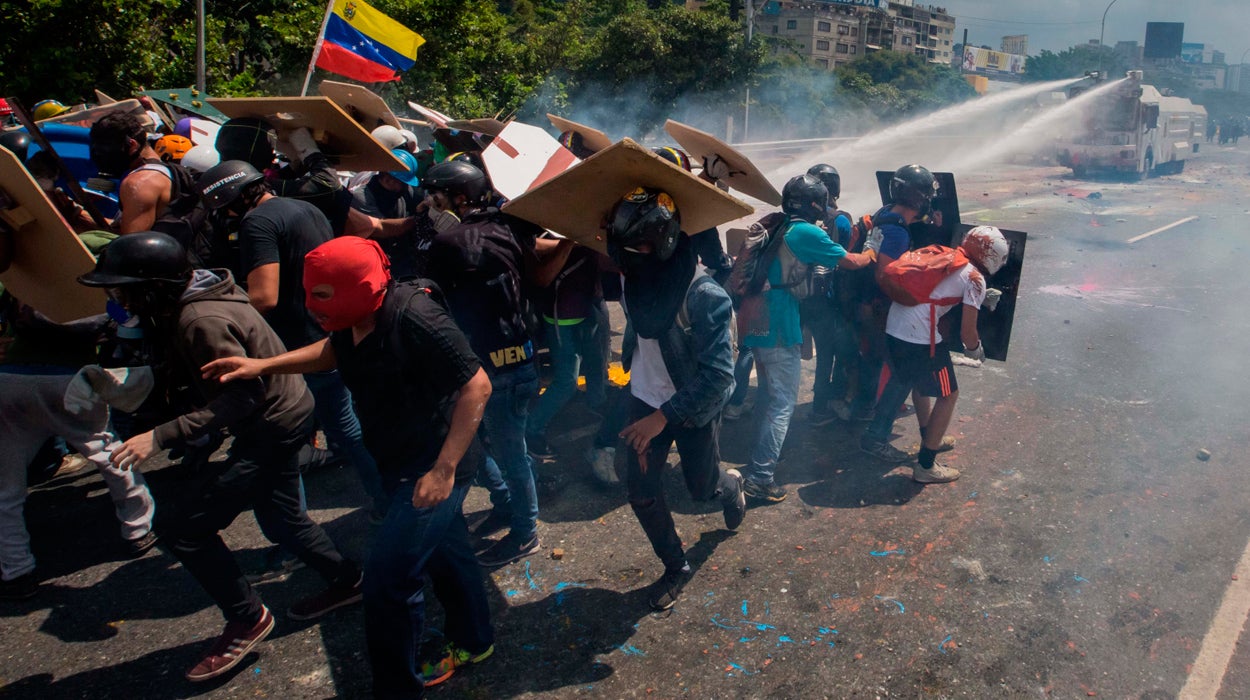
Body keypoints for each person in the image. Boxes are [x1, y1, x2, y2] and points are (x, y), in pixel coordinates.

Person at [202, 236, 495, 698]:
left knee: (387, 581)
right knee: (449, 553)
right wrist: (262, 365)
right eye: (311, 292)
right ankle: (476, 641)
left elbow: (477, 386)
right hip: (397, 460)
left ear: (360, 287)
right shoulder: (354, 318)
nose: (312, 304)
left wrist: (444, 470)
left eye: (322, 295)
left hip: (431, 467)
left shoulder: (417, 316)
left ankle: (398, 689)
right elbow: (334, 351)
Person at [77, 232, 362, 682]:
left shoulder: (199, 319)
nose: (118, 299)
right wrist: (128, 379)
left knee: (185, 529)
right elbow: (203, 372)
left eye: (123, 290)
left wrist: (160, 436)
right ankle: (350, 581)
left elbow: (241, 398)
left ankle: (247, 618)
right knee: (284, 519)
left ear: (153, 287)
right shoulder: (205, 292)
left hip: (271, 425)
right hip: (284, 414)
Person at [197, 160, 387, 517]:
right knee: (348, 426)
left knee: (296, 433)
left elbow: (263, 297)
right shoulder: (305, 207)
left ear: (235, 199)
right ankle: (383, 493)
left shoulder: (257, 222)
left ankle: (306, 524)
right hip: (330, 331)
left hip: (298, 344)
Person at [606, 187, 746, 611]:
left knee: (701, 489)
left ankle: (731, 486)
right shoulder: (633, 271)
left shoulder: (704, 296)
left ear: (666, 242)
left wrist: (664, 416)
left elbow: (719, 376)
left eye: (642, 246)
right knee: (641, 493)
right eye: (625, 247)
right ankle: (676, 567)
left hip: (690, 408)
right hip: (645, 399)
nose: (632, 256)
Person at [0, 231, 156, 601]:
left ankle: (15, 567)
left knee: (5, 485)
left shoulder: (24, 282)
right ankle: (137, 529)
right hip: (67, 381)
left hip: (10, 379)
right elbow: (125, 327)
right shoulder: (100, 287)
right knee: (108, 453)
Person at [423, 160, 553, 567]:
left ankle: (525, 530)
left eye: (437, 195)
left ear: (459, 198)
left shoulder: (446, 245)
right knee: (493, 446)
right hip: (521, 359)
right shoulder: (511, 224)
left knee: (507, 452)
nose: (430, 202)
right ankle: (507, 504)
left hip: (487, 368)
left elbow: (434, 302)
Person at [738, 174, 876, 503]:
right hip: (779, 320)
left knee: (769, 396)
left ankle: (761, 457)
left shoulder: (774, 223)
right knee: (783, 403)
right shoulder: (806, 232)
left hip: (752, 315)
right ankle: (760, 476)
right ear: (816, 205)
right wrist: (873, 248)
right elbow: (852, 262)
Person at [858, 226, 1006, 483]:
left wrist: (979, 299)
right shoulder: (975, 279)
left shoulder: (947, 256)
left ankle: (931, 436)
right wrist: (977, 352)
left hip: (895, 328)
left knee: (919, 384)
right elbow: (967, 334)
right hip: (919, 339)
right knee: (949, 395)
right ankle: (926, 466)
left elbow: (937, 291)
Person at [857, 164, 942, 460]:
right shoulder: (896, 233)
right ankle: (876, 438)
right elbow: (885, 275)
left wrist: (928, 221)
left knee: (887, 367)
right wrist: (910, 301)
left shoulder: (886, 214)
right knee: (903, 373)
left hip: (867, 305)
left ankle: (872, 420)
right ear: (918, 197)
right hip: (881, 309)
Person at [525, 243, 609, 458]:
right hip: (559, 315)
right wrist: (573, 239)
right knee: (567, 381)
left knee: (597, 362)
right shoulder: (553, 229)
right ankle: (532, 429)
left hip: (588, 307)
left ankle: (595, 406)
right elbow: (533, 246)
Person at [802, 163, 860, 425]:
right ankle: (821, 408)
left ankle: (824, 402)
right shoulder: (840, 219)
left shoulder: (802, 218)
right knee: (832, 354)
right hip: (830, 299)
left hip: (802, 295)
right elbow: (847, 256)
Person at [350, 148, 437, 280]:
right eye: (400, 182)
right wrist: (418, 218)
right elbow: (382, 228)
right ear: (388, 178)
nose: (402, 186)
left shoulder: (404, 191)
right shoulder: (361, 197)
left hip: (398, 259)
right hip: (369, 260)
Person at [88, 112, 171, 234]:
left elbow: (129, 247)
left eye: (105, 150)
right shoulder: (165, 171)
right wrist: (78, 214)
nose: (101, 157)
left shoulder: (140, 183)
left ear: (132, 145)